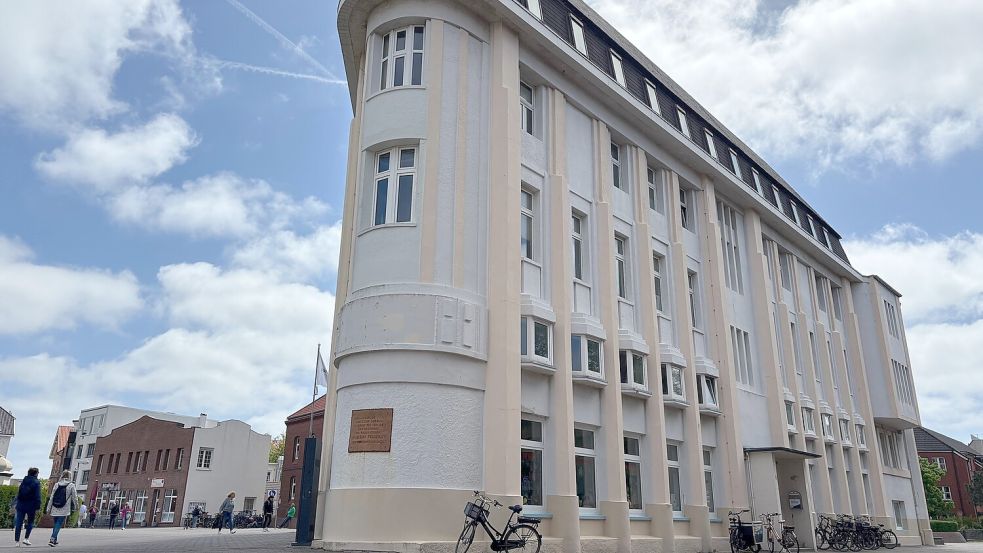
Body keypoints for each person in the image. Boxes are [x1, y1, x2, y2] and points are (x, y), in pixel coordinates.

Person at [46, 470, 78, 547]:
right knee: (58, 524)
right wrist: (76, 506)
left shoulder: (57, 484)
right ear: (70, 476)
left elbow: (52, 497)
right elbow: (75, 497)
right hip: (64, 508)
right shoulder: (71, 485)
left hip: (55, 507)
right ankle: (52, 539)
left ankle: (55, 539)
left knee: (56, 524)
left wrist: (48, 508)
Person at [13, 467, 42, 547]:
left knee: (19, 523)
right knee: (30, 522)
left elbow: (19, 493)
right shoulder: (36, 482)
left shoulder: (24, 481)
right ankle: (26, 539)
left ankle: (17, 541)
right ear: (36, 473)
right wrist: (38, 506)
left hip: (21, 504)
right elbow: (37, 496)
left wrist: (15, 503)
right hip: (31, 506)